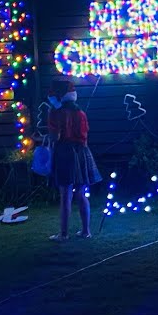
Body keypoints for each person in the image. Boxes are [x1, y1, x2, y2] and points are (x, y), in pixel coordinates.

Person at [46, 79, 101, 241]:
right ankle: (86, 231)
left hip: (65, 153)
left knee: (65, 194)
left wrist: (46, 138)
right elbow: (84, 136)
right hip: (82, 152)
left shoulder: (55, 113)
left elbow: (55, 137)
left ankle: (63, 234)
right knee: (81, 193)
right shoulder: (81, 113)